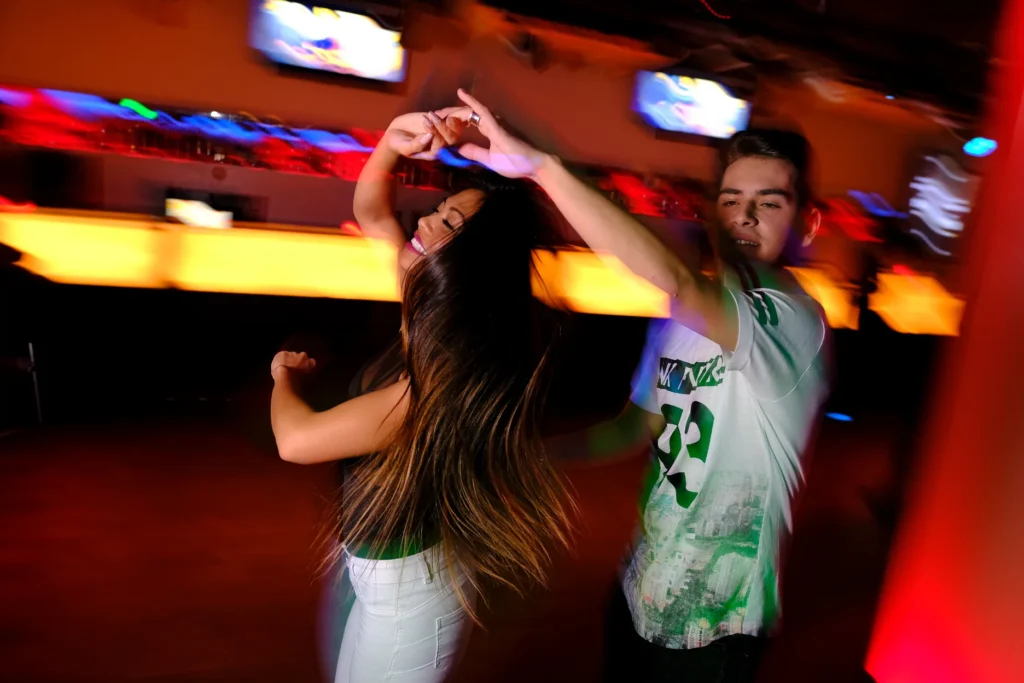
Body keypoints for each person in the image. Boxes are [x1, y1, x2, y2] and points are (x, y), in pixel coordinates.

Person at [443, 90, 831, 681]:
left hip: (716, 627)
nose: (745, 217)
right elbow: (633, 427)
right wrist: (528, 454)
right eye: (731, 199)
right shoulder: (682, 317)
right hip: (639, 591)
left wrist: (543, 167)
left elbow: (675, 277)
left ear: (808, 221)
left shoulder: (793, 321)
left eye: (769, 203)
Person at [269, 108, 573, 683]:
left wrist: (285, 376)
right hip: (374, 569)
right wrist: (391, 142)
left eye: (450, 222)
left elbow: (296, 440)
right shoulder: (426, 302)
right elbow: (372, 212)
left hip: (410, 594)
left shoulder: (444, 374)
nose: (427, 220)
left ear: (474, 264)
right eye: (439, 208)